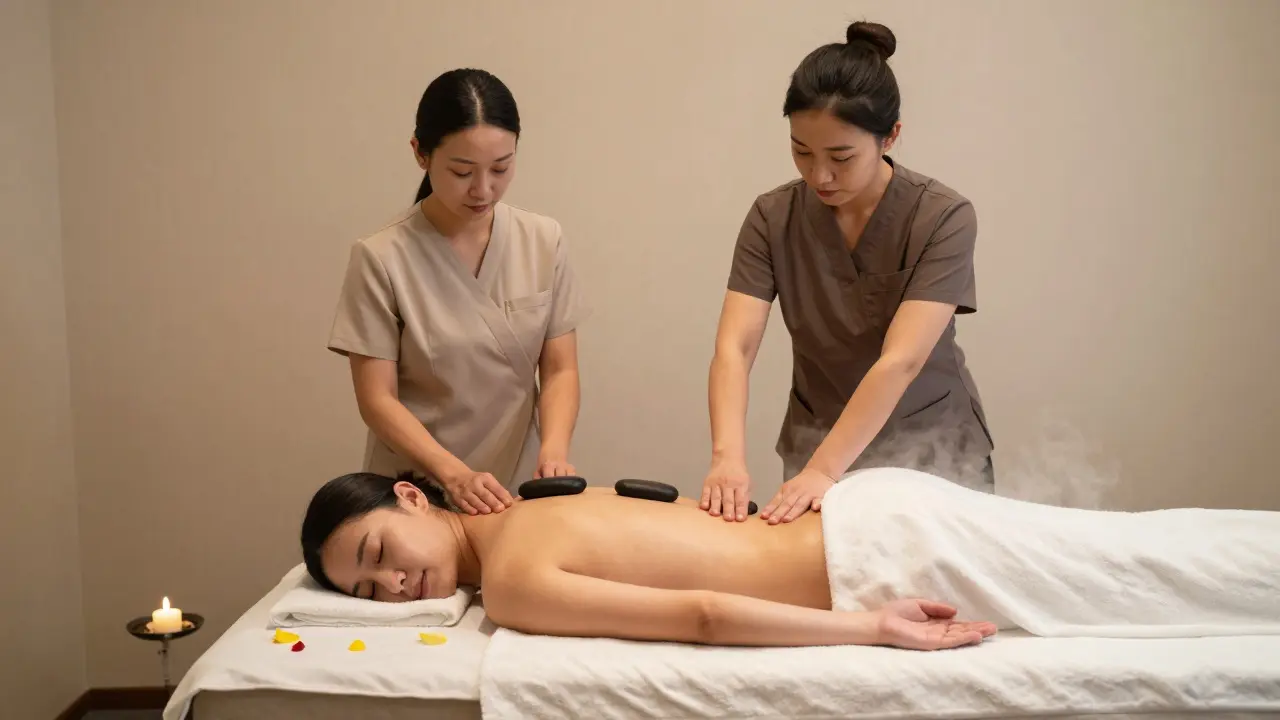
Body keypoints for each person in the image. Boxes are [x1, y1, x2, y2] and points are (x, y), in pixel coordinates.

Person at [300, 470, 1280, 650]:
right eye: (366, 587)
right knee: (1142, 553)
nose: (391, 584)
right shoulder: (531, 508)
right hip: (878, 515)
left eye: (379, 551)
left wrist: (872, 626)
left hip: (884, 547)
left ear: (412, 497)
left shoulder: (510, 578)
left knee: (1148, 573)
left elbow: (702, 615)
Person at [701, 21, 995, 525]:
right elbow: (735, 346)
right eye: (802, 151)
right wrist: (727, 455)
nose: (819, 176)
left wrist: (824, 471)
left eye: (841, 157)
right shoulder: (773, 217)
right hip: (817, 437)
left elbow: (899, 361)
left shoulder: (942, 216)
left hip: (931, 450)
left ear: (890, 138)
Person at [327, 69, 590, 517]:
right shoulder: (380, 258)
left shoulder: (544, 240)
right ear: (420, 154)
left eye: (501, 168)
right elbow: (377, 400)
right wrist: (453, 475)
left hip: (517, 487)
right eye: (462, 171)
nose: (483, 189)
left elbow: (561, 369)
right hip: (416, 493)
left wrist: (554, 451)